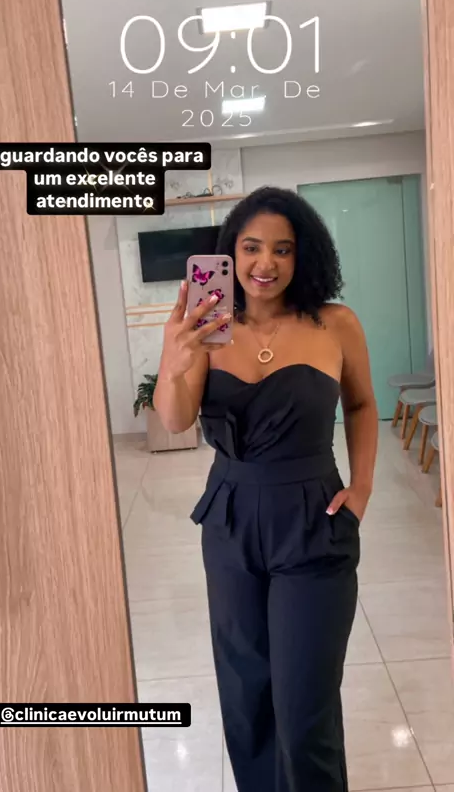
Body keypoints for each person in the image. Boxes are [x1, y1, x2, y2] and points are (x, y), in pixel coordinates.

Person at [153, 186, 378, 792]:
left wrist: (361, 487)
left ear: (304, 256)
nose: (266, 262)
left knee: (305, 709)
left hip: (314, 518)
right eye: (251, 247)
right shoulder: (208, 327)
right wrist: (175, 357)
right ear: (231, 253)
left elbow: (361, 404)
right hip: (230, 521)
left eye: (283, 249)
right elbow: (175, 419)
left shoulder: (335, 323)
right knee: (247, 697)